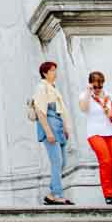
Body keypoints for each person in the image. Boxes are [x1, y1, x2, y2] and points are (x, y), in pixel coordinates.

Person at [32, 61, 73, 205]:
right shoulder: (41, 87)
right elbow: (40, 111)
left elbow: (60, 111)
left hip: (58, 127)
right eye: (52, 70)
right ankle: (58, 194)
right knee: (57, 161)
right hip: (50, 127)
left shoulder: (53, 88)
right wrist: (48, 132)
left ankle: (51, 194)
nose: (55, 73)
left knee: (63, 162)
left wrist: (65, 128)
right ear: (45, 73)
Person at [79, 71, 112, 204]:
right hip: (95, 133)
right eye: (95, 86)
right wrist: (88, 91)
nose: (97, 89)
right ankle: (108, 194)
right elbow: (83, 108)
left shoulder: (109, 95)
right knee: (106, 161)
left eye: (100, 86)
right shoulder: (86, 95)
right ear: (91, 84)